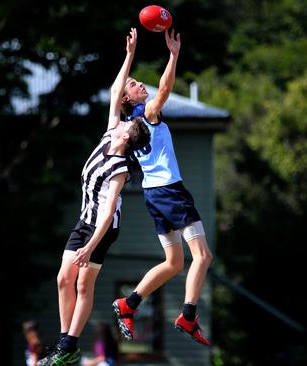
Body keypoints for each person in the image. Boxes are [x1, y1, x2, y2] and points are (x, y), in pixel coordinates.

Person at [37, 27, 150, 366]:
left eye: (128, 125)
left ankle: (68, 346)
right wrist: (129, 54)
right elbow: (117, 93)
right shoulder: (108, 134)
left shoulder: (120, 167)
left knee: (84, 285)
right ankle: (66, 345)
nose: (123, 122)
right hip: (84, 221)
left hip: (102, 229)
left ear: (129, 135)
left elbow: (106, 214)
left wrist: (90, 245)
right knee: (62, 279)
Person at [111, 28, 213, 346]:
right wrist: (173, 55)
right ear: (128, 99)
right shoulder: (147, 115)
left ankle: (129, 303)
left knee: (174, 262)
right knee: (203, 256)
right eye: (133, 84)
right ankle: (188, 315)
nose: (140, 83)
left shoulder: (123, 124)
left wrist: (130, 55)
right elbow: (165, 89)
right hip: (170, 192)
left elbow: (121, 94)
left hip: (153, 196)